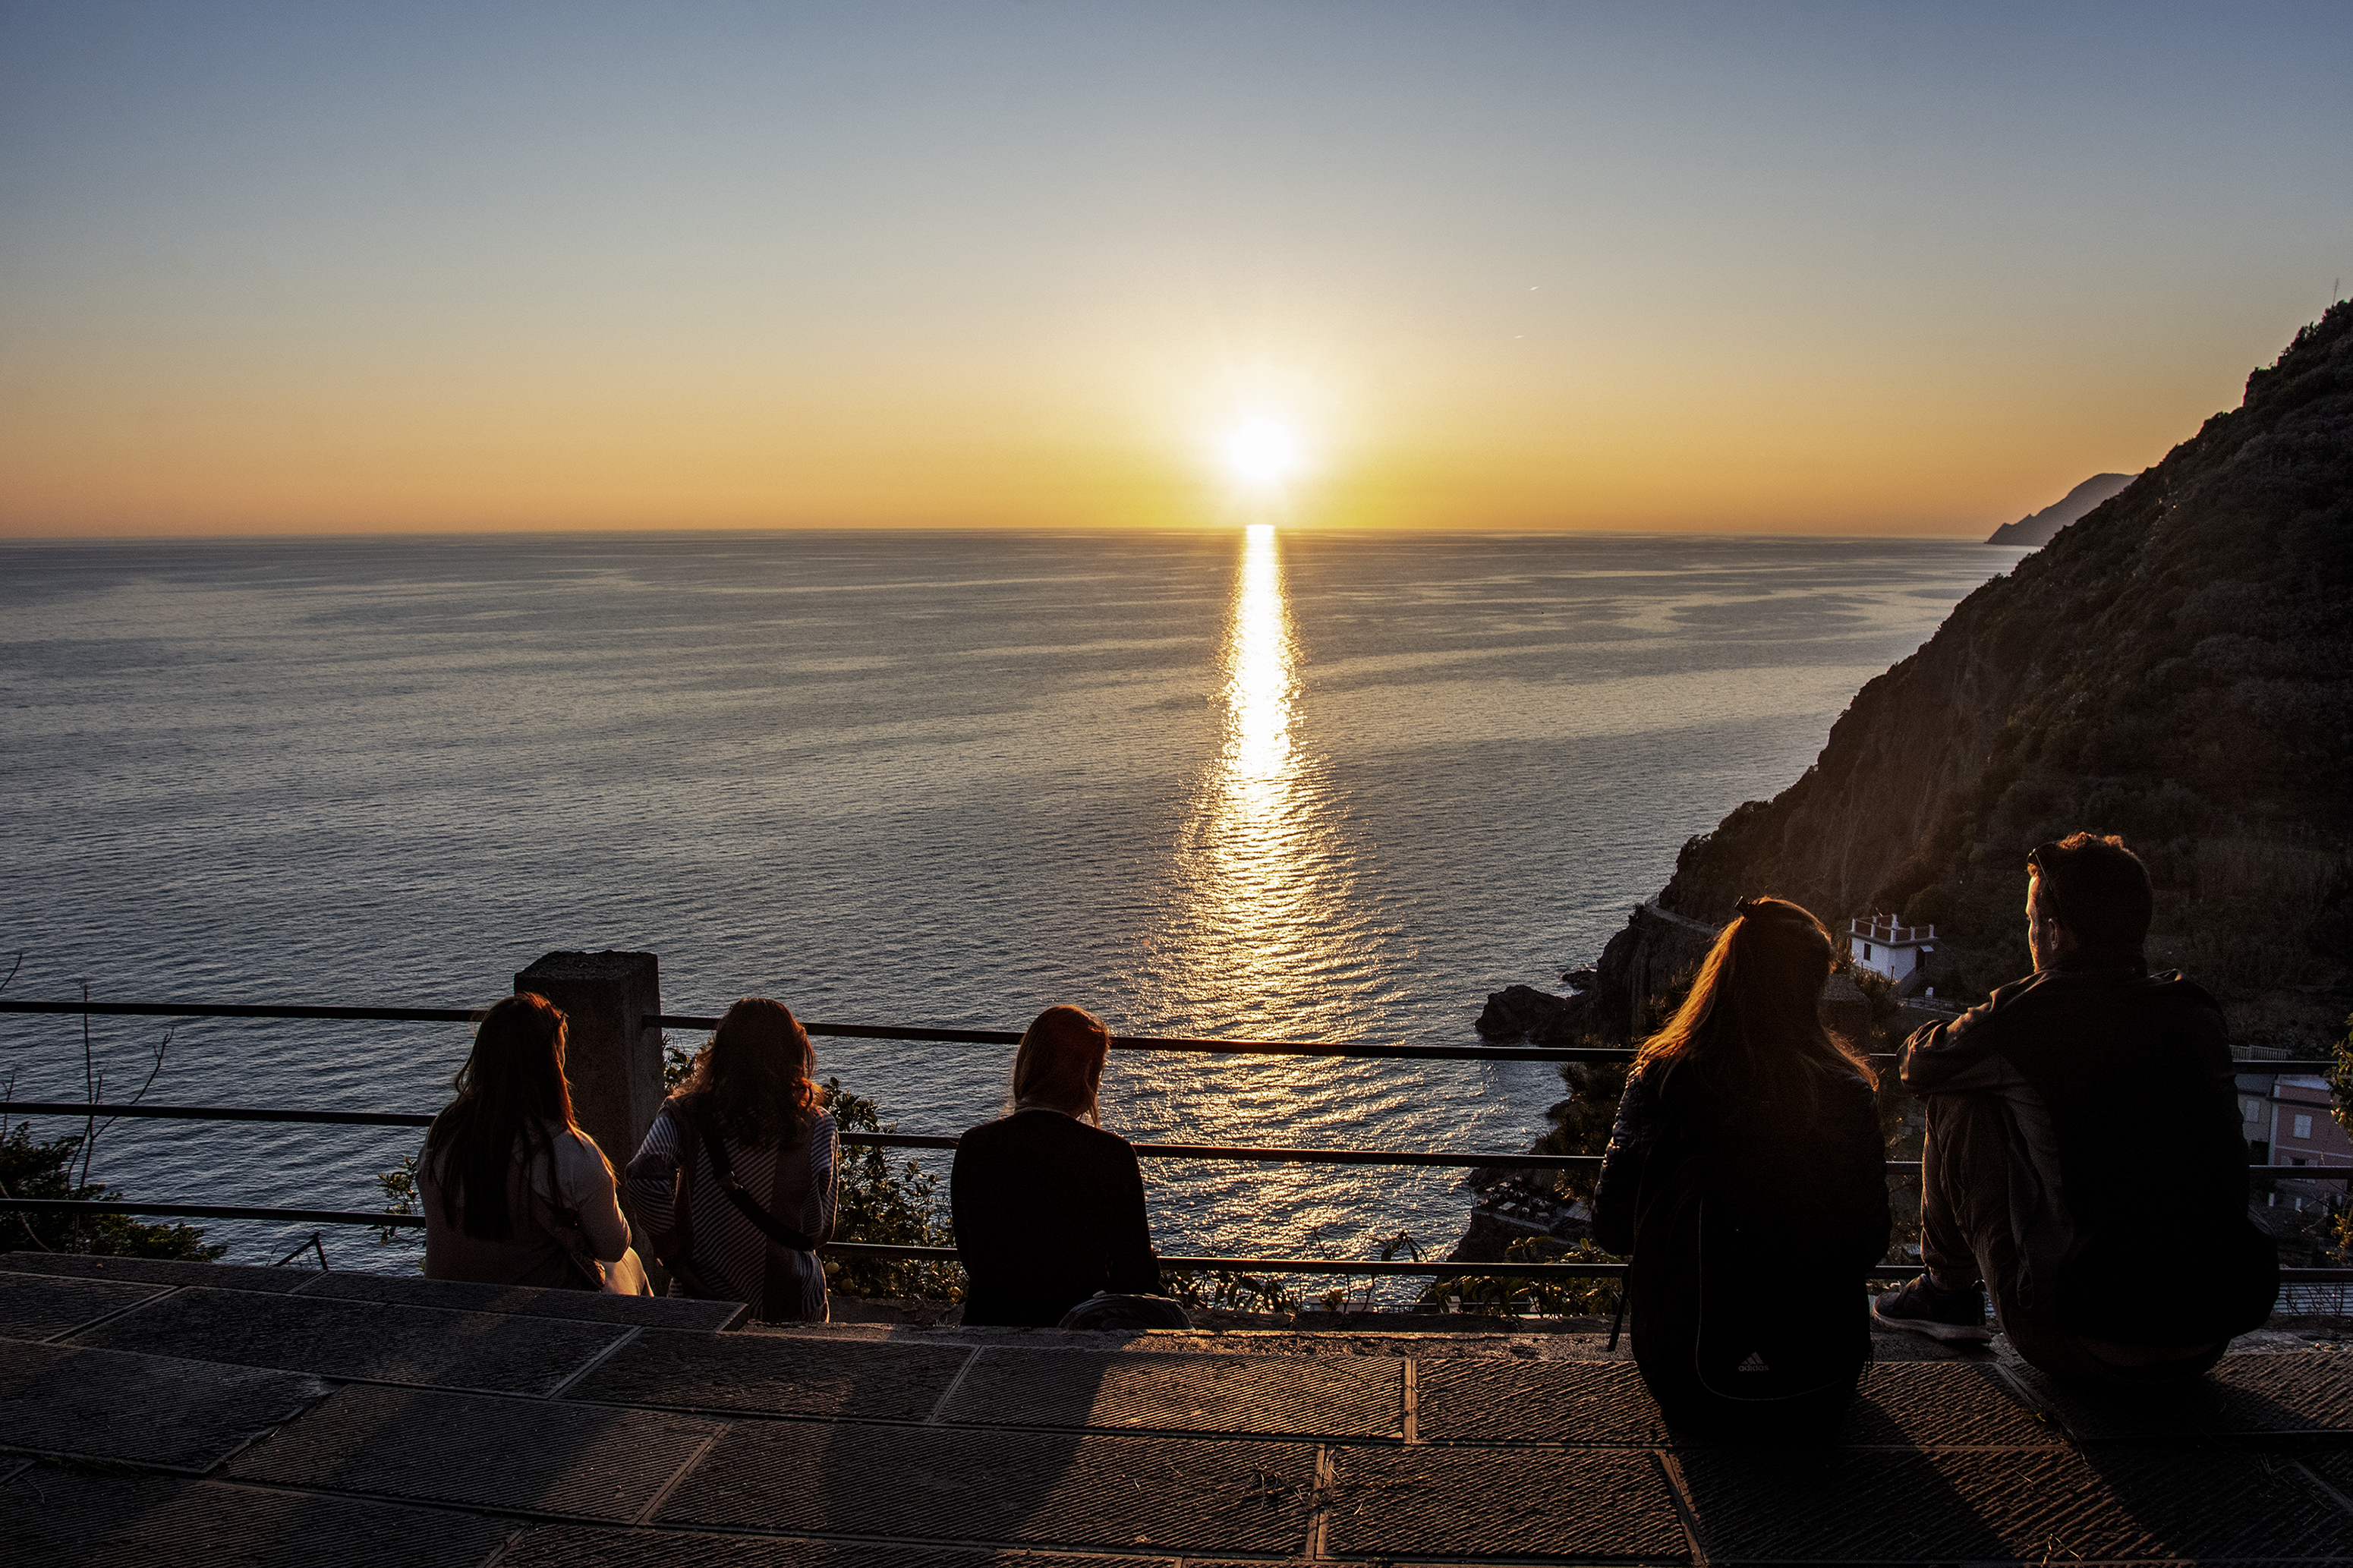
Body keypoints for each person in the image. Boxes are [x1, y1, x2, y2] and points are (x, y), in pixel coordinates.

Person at [1873, 833, 2277, 1383]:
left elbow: (1918, 1067)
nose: (2031, 938)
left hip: (2082, 1341)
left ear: (2056, 931)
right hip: (2207, 1337)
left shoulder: (2033, 1013)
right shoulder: (2196, 1010)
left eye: (2031, 923)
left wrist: (1962, 1028)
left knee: (1956, 1092)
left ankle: (1945, 1293)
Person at [1594, 896, 1891, 1440]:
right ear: (1810, 987)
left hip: (1688, 1380)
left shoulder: (1660, 1081)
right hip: (1819, 1381)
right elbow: (1869, 1241)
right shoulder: (1847, 1094)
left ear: (1722, 974)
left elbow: (1611, 1228)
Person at [626, 997, 838, 1322]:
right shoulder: (818, 1126)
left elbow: (644, 1176)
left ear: (721, 1053)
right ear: (795, 1056)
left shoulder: (686, 1115)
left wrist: (671, 1252)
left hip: (701, 1299)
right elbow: (815, 1232)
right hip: (791, 1302)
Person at [951, 1004, 1162, 1327]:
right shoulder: (1112, 1155)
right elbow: (1135, 1278)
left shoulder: (974, 1146)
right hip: (1075, 1334)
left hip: (987, 1325)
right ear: (1088, 1073)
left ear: (1028, 1065)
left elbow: (972, 1258)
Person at [420, 992, 646, 1292]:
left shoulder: (443, 1134)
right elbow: (612, 1247)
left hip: (444, 1299)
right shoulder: (567, 1153)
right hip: (535, 1312)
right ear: (552, 1058)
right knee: (630, 1261)